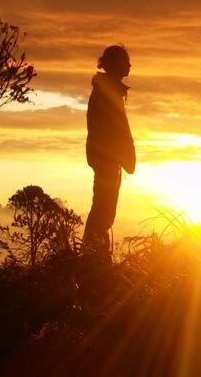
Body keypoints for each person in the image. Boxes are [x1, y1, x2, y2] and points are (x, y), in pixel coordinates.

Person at [82, 44, 135, 256]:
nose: (129, 65)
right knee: (103, 209)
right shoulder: (106, 91)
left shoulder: (107, 89)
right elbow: (113, 129)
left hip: (107, 159)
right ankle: (92, 255)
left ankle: (95, 254)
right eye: (126, 61)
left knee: (104, 209)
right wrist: (121, 156)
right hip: (106, 159)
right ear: (115, 64)